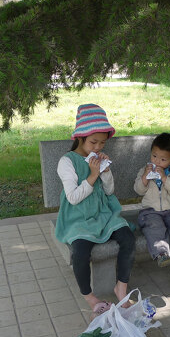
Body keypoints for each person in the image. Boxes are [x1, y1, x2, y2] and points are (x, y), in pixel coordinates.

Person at [55, 104, 136, 316]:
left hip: (103, 213)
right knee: (80, 252)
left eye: (102, 142)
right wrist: (92, 174)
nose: (98, 147)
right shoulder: (67, 162)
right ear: (81, 137)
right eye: (93, 142)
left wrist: (106, 172)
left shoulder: (99, 158)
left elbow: (109, 191)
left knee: (128, 237)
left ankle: (121, 287)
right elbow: (73, 198)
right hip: (79, 217)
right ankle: (90, 297)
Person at [133, 133, 170, 278]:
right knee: (154, 226)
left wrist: (165, 178)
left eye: (163, 159)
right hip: (150, 211)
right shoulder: (145, 170)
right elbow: (138, 190)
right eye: (154, 156)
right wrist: (144, 179)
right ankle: (161, 253)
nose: (157, 162)